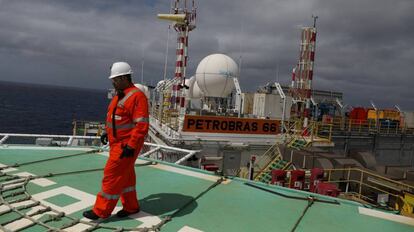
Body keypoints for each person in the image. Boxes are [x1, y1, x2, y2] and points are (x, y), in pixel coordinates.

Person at [83, 61, 149, 220]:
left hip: (125, 145)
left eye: (116, 79)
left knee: (111, 175)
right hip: (117, 143)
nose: (113, 81)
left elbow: (141, 125)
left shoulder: (136, 96)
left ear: (125, 78)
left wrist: (131, 146)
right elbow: (115, 118)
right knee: (126, 176)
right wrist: (107, 132)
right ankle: (131, 207)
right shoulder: (120, 94)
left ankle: (101, 211)